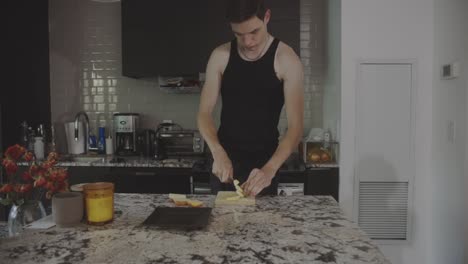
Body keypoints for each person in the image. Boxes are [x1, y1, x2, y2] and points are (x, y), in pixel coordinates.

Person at [197, 0, 304, 197]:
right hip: (224, 163)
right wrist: (217, 152)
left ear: (267, 18)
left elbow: (296, 128)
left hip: (265, 166)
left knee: (261, 226)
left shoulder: (287, 59)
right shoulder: (220, 56)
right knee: (220, 225)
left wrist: (270, 170)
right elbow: (204, 113)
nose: (248, 42)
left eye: (254, 32)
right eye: (239, 34)